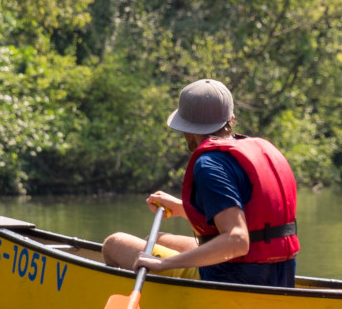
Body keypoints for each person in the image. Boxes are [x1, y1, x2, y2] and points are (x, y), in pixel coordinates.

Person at [102, 78, 300, 287]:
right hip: (279, 276)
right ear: (231, 119)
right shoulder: (257, 151)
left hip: (233, 278)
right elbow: (250, 224)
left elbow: (238, 241)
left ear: (187, 128)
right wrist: (181, 208)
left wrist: (163, 264)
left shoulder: (209, 165)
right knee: (159, 239)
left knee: (114, 243)